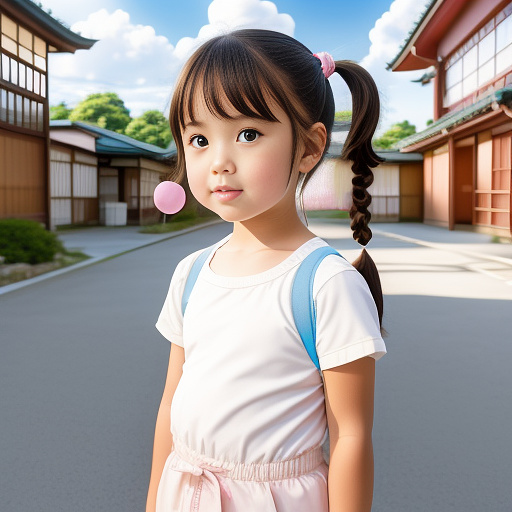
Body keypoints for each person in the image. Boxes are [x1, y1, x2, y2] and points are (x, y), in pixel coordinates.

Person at [146, 29, 387, 512]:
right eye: (197, 138)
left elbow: (351, 436)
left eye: (248, 134)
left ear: (309, 148)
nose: (218, 162)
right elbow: (170, 405)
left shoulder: (325, 283)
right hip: (185, 491)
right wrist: (154, 501)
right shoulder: (191, 273)